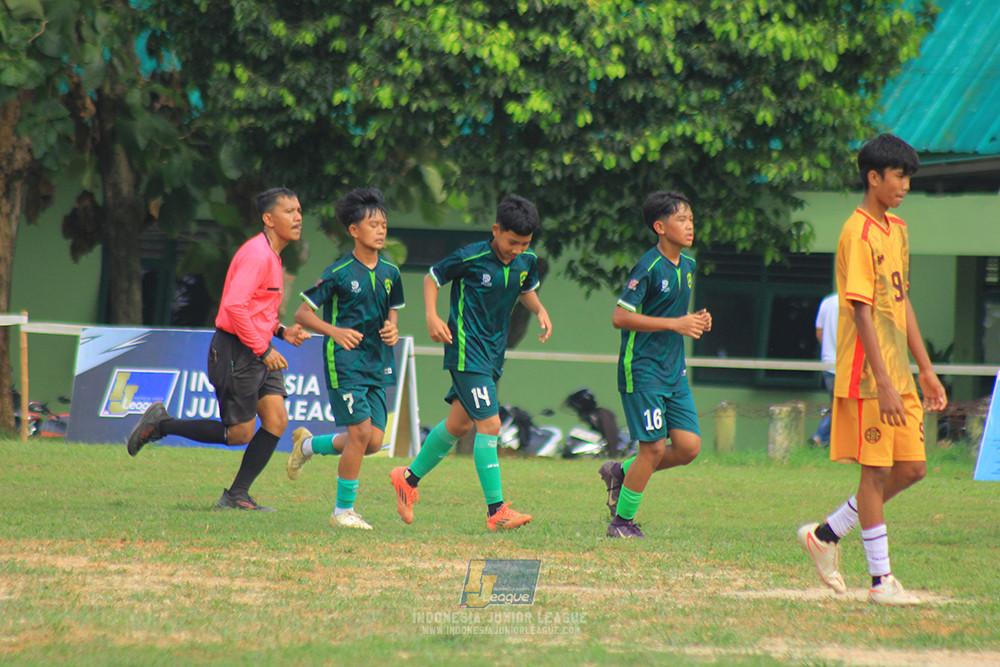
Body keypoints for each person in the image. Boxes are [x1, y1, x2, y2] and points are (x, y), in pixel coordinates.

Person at [797, 134, 948, 605]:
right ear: (874, 177)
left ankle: (824, 536)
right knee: (876, 473)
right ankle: (882, 582)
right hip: (868, 376)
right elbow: (861, 312)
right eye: (898, 176)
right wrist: (881, 381)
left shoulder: (897, 229)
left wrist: (925, 369)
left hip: (898, 375)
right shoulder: (856, 232)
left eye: (908, 177)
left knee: (913, 468)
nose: (904, 185)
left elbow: (901, 305)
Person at [127, 187, 312, 511]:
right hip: (237, 351)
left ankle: (236, 495)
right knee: (239, 433)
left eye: (299, 211)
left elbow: (256, 310)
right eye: (289, 211)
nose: (298, 217)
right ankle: (160, 425)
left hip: (257, 347)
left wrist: (281, 332)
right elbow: (234, 307)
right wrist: (263, 349)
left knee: (276, 420)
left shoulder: (272, 255)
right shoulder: (257, 255)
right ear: (269, 219)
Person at [389, 194, 552, 531]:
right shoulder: (471, 256)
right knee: (490, 425)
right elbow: (432, 277)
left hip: (493, 353)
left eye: (525, 243)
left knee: (459, 425)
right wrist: (433, 317)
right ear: (496, 230)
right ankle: (496, 510)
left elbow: (526, 287)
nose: (517, 249)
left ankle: (407, 478)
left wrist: (540, 310)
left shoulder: (526, 260)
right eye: (512, 242)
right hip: (466, 351)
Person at [285, 188, 404, 530]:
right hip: (346, 363)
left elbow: (393, 312)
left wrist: (392, 330)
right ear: (354, 231)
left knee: (373, 441)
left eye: (383, 224)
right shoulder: (339, 272)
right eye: (373, 224)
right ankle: (342, 512)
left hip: (377, 362)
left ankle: (307, 446)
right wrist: (334, 331)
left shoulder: (391, 273)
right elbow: (303, 314)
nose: (381, 230)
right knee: (360, 432)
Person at [598, 191, 712, 539]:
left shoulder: (688, 267)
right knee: (654, 447)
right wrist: (676, 324)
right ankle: (621, 523)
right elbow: (620, 317)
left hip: (673, 371)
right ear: (660, 227)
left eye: (691, 219)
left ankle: (621, 471)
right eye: (681, 219)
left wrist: (695, 321)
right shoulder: (647, 267)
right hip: (643, 369)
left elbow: (673, 317)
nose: (689, 225)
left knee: (689, 447)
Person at [811, 292, 838, 446]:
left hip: (828, 364)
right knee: (842, 405)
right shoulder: (856, 302)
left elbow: (819, 332)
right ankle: (820, 437)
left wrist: (828, 350)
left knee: (836, 403)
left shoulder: (827, 301)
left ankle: (823, 439)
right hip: (849, 364)